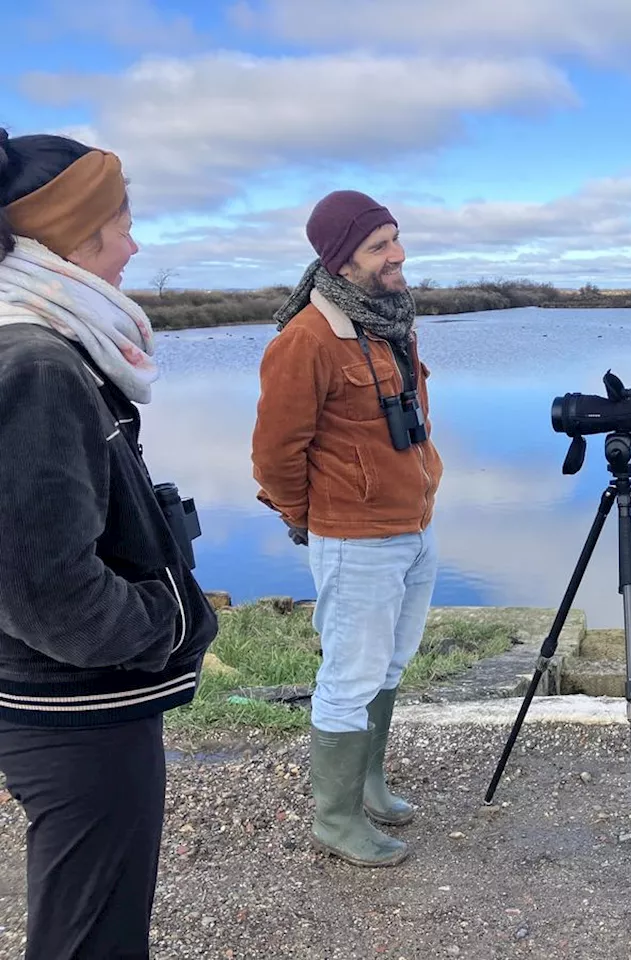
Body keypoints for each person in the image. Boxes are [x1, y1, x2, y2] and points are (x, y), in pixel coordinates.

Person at [0, 128, 219, 958]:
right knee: (93, 934)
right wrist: (156, 627)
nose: (135, 243)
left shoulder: (44, 343)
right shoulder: (35, 362)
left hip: (64, 700)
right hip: (71, 711)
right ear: (64, 237)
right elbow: (44, 588)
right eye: (122, 223)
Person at [251, 190, 444, 868]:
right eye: (378, 246)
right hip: (354, 536)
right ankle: (334, 818)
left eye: (395, 237)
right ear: (341, 260)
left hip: (412, 524)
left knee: (389, 663)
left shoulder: (394, 321)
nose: (397, 254)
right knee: (350, 674)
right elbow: (275, 456)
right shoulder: (305, 340)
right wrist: (312, 520)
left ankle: (367, 783)